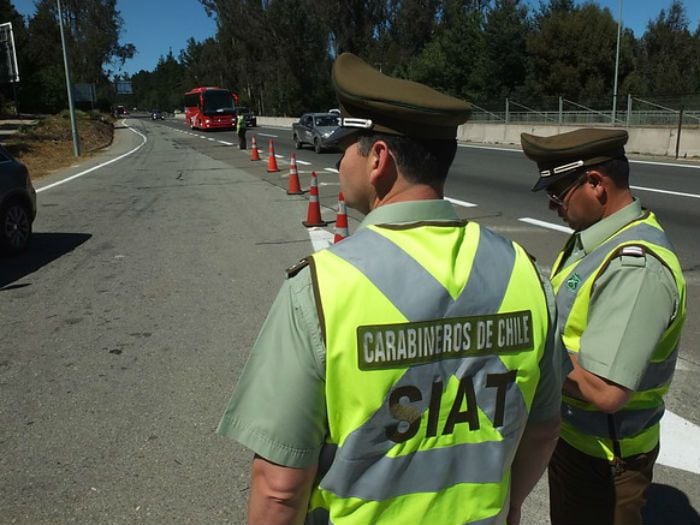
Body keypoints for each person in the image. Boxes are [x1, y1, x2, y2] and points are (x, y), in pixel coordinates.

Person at [217, 52, 563, 525]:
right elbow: (543, 430)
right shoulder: (525, 274)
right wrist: (510, 507)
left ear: (378, 159)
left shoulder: (322, 288)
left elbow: (279, 489)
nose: (339, 161)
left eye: (347, 147)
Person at [520, 128, 687, 525]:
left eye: (558, 194)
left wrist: (526, 351)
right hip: (575, 439)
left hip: (607, 458)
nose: (552, 206)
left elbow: (607, 390)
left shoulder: (636, 266)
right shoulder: (592, 242)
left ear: (596, 184)